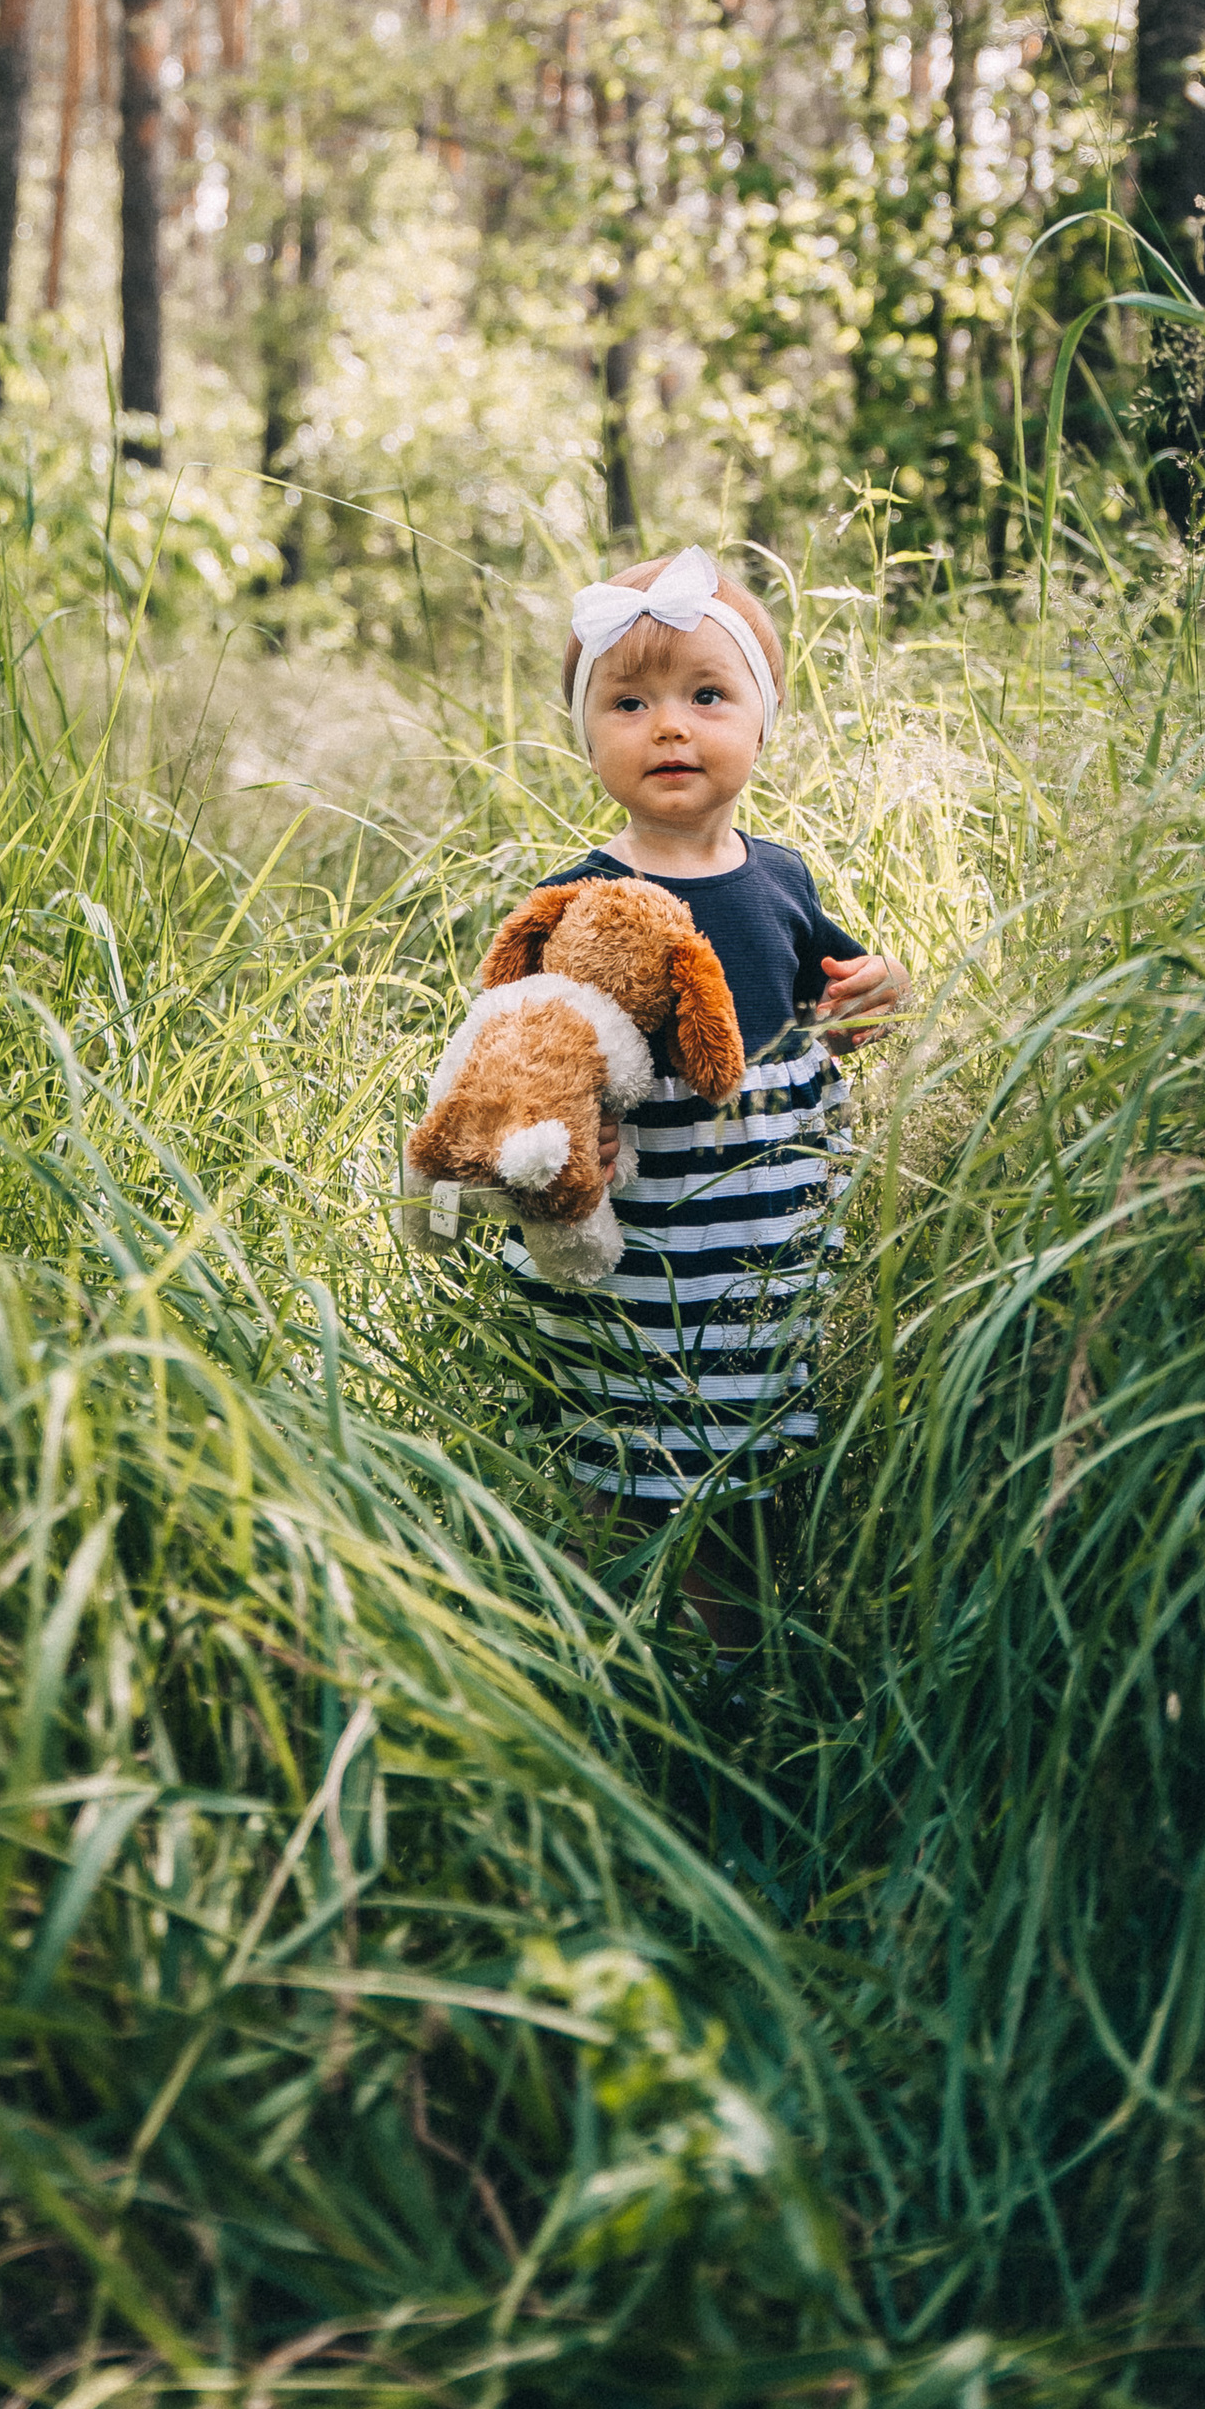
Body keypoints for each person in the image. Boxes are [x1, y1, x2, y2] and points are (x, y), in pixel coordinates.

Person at [497, 545, 910, 1647]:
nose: (669, 726)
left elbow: (843, 1009)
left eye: (705, 695)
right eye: (629, 701)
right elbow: (522, 1051)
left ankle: (748, 1660)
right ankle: (616, 1639)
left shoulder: (781, 879)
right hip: (645, 1242)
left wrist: (882, 988)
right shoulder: (576, 894)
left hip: (768, 1237)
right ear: (588, 736)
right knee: (628, 1442)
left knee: (757, 1455)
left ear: (760, 725)